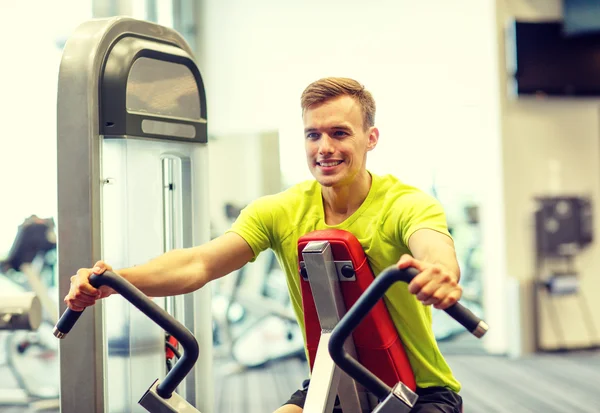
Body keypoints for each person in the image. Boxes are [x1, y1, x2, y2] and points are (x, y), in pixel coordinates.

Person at [65, 77, 464, 413]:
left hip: (421, 390)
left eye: (340, 133)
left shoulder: (406, 203)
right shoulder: (280, 210)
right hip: (334, 376)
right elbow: (199, 264)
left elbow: (433, 248)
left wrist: (439, 272)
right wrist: (114, 281)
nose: (324, 147)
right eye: (313, 134)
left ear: (370, 138)